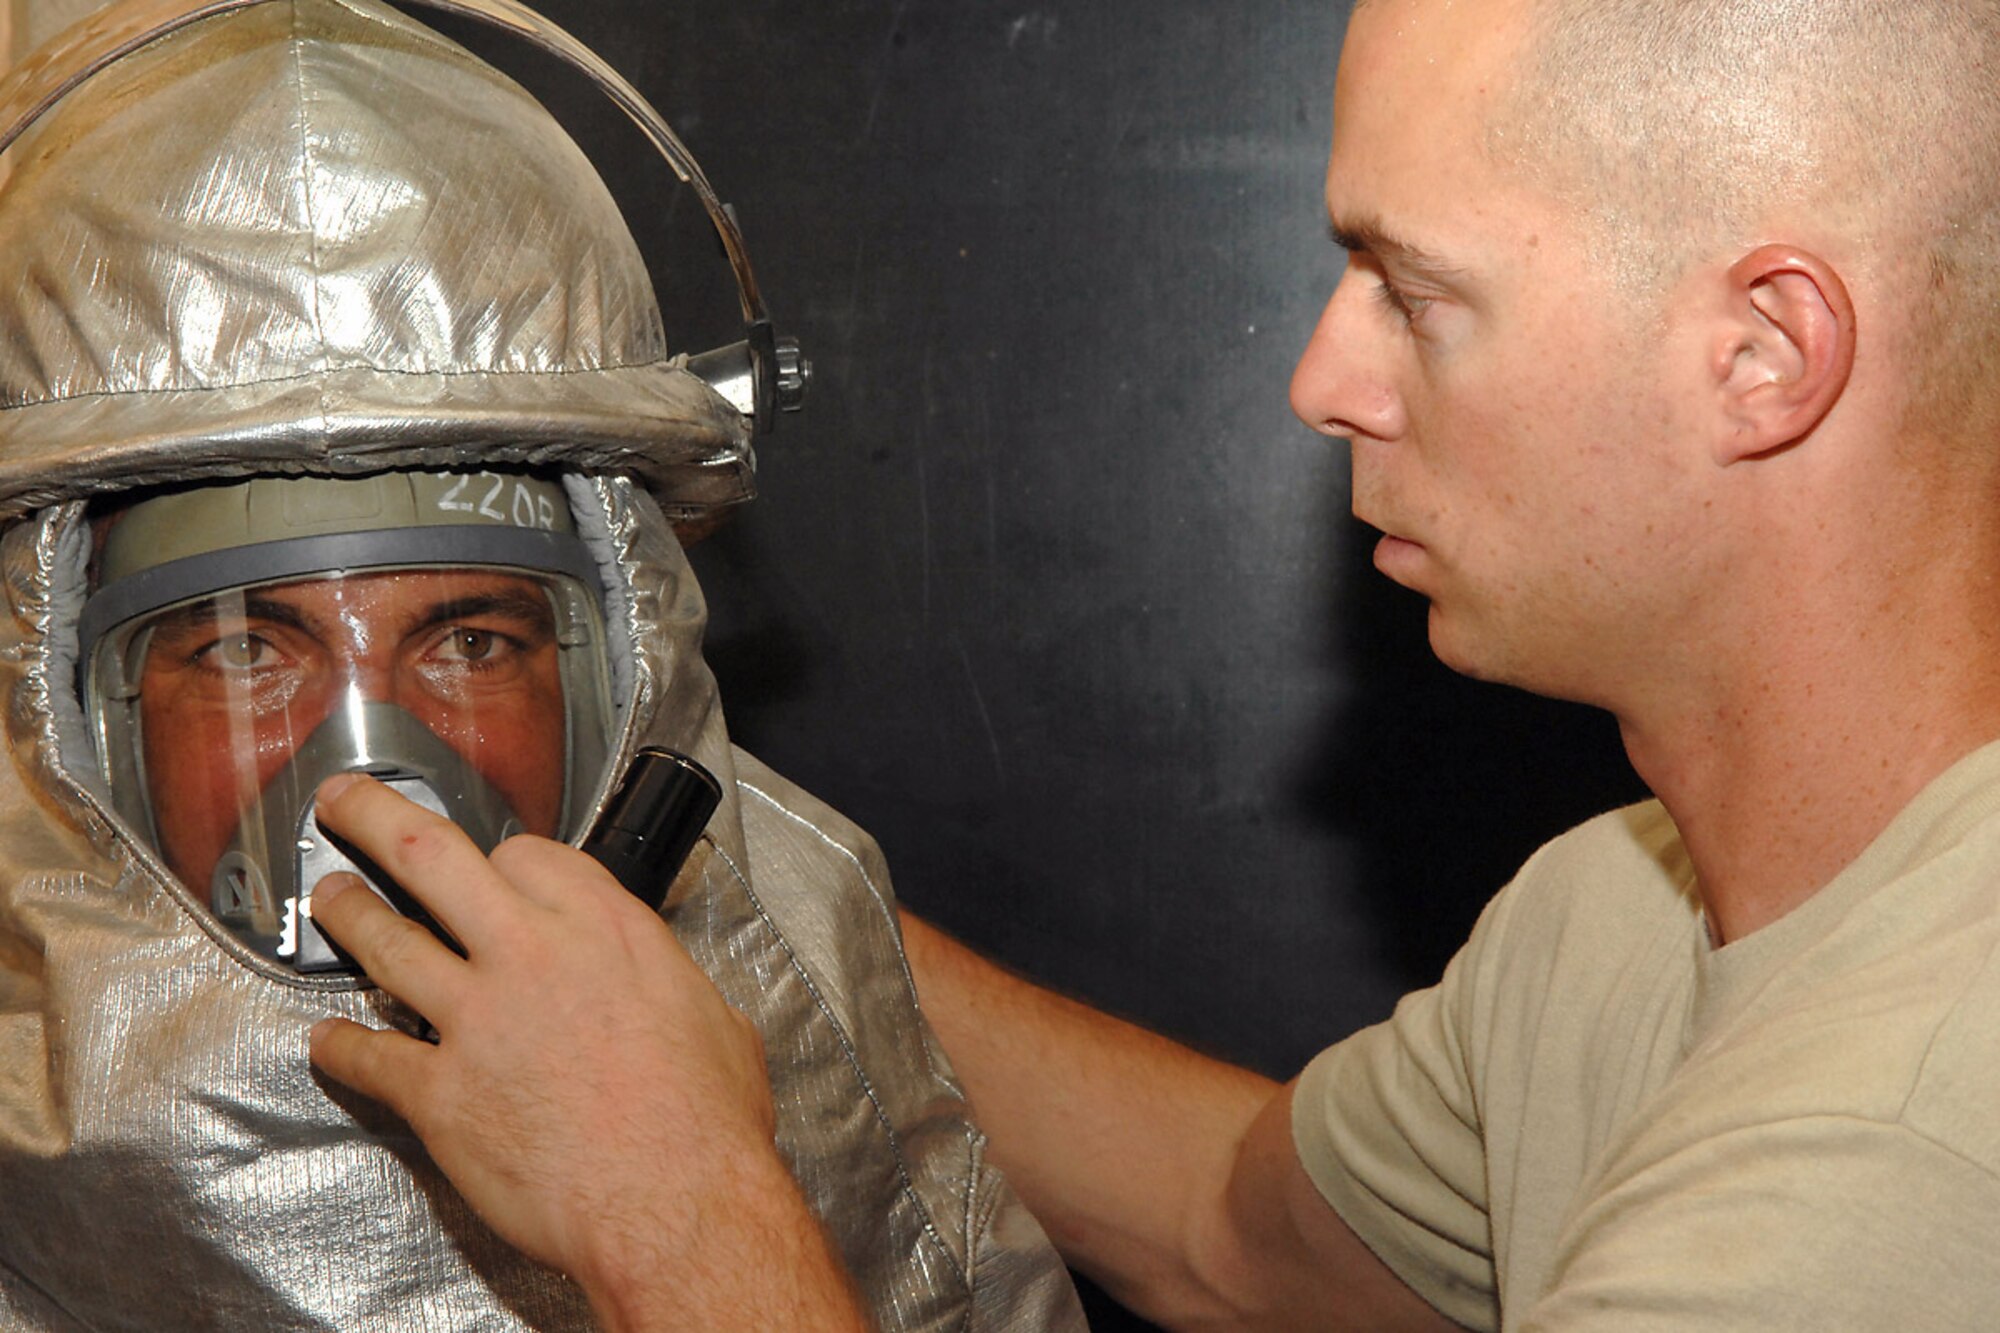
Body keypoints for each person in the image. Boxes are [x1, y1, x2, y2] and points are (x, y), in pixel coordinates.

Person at [304, 0, 2000, 1327]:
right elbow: (1229, 1232)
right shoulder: (1626, 910)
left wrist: (673, 1210)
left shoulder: (1896, 1158)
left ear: (1765, 356)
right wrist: (687, 815)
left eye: (1412, 291)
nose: (1323, 378)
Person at [0, 1, 1085, 1328]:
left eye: (470, 642)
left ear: (617, 668)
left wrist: (681, 1207)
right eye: (240, 650)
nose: (368, 786)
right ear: (67, 699)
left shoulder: (810, 989)